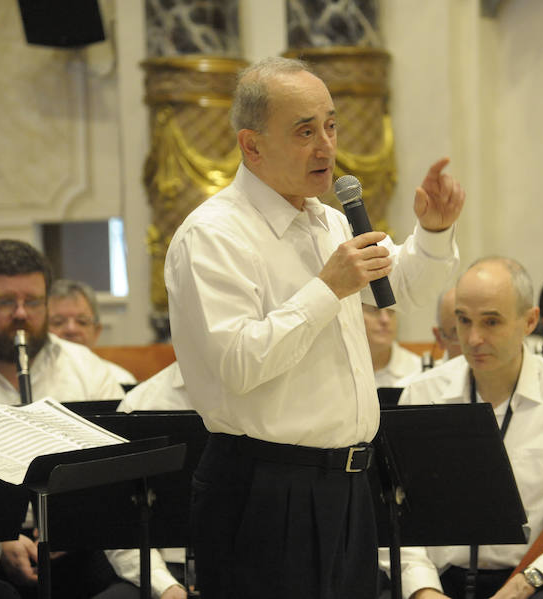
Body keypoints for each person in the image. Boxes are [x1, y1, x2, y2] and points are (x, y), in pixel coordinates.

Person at [164, 56, 464, 599]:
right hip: (264, 489)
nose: (326, 146)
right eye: (305, 131)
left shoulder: (329, 219)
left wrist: (434, 233)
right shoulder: (213, 235)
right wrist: (327, 289)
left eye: (330, 125)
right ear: (251, 145)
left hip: (348, 485)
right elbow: (239, 364)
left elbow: (403, 289)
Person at [0, 239, 184, 599]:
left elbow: (121, 497)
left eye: (34, 301)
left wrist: (164, 587)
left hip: (83, 543)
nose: (22, 314)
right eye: (6, 301)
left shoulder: (88, 370)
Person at [393, 257, 543, 599]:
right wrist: (422, 588)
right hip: (442, 580)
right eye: (463, 321)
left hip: (541, 580)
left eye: (491, 322)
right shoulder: (421, 393)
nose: (473, 338)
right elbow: (396, 514)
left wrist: (528, 581)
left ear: (529, 320)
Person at [48, 278, 137, 386]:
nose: (71, 329)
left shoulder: (119, 380)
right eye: (58, 322)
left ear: (96, 331)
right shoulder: (29, 382)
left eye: (82, 322)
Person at [364, 303, 422, 387]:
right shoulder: (340, 373)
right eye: (374, 310)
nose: (385, 320)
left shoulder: (418, 371)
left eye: (391, 310)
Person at [432, 286, 462, 361]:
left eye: (491, 323)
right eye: (459, 333)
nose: (474, 341)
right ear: (439, 338)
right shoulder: (429, 373)